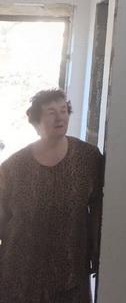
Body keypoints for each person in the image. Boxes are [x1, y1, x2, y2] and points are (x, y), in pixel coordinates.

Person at [0, 89, 103, 303]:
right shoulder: (13, 166)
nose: (60, 117)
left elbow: (97, 206)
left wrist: (96, 247)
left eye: (64, 111)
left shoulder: (88, 157)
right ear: (36, 121)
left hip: (70, 267)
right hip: (20, 270)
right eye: (51, 112)